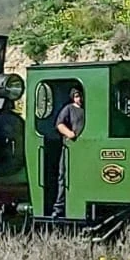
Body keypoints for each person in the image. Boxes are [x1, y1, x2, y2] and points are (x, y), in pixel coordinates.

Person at [52, 86, 85, 218]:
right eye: (77, 96)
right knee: (63, 177)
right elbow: (59, 124)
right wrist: (70, 133)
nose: (79, 99)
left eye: (80, 96)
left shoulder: (86, 110)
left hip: (83, 149)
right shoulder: (69, 109)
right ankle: (59, 207)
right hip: (70, 148)